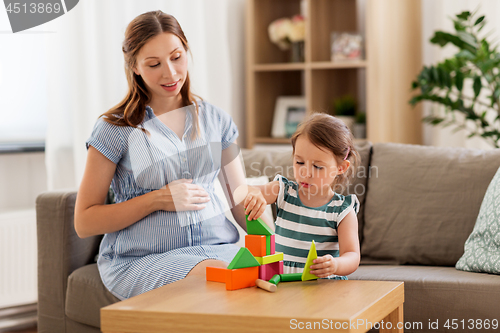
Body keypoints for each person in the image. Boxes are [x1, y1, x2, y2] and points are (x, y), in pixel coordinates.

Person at [74, 10, 249, 300]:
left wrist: (281, 245)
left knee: (263, 280)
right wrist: (158, 199)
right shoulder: (114, 128)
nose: (170, 73)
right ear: (135, 67)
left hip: (220, 249)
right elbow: (85, 221)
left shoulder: (217, 120)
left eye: (177, 57)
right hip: (145, 258)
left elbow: (240, 201)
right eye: (154, 64)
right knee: (221, 280)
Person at [241, 113, 360, 279]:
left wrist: (335, 265)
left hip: (324, 289)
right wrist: (254, 194)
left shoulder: (342, 211)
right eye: (300, 162)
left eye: (318, 166)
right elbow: (241, 191)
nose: (306, 172)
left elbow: (352, 256)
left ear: (341, 168)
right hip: (284, 285)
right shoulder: (283, 191)